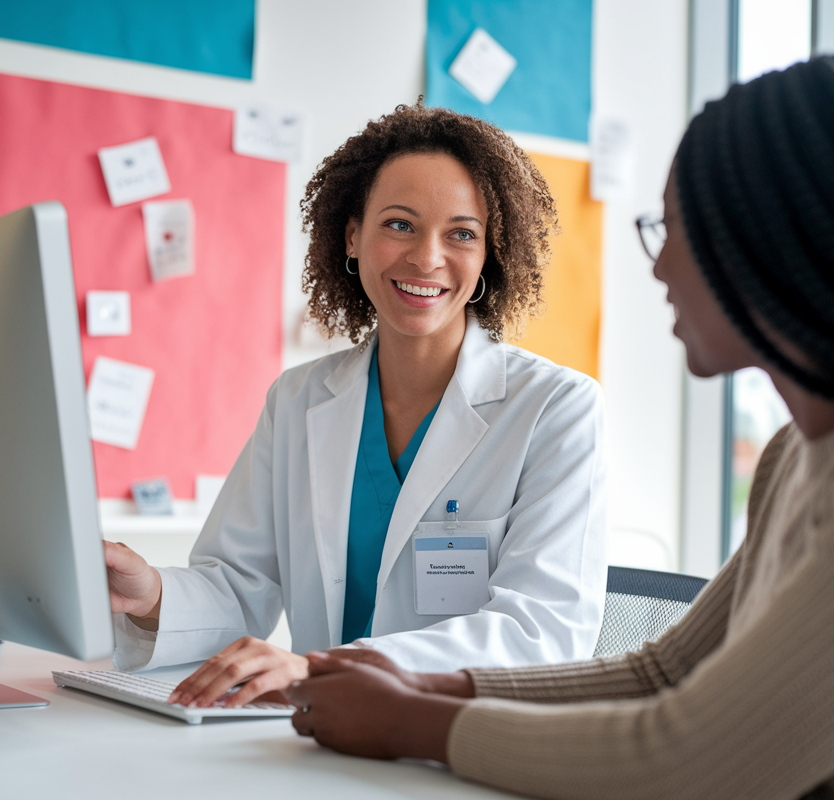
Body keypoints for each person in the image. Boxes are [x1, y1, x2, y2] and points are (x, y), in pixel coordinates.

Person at [284, 56, 834, 799]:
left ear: (775, 243)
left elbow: (698, 761)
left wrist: (414, 722)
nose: (659, 269)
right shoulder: (800, 453)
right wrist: (431, 686)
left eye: (672, 231)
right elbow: (665, 674)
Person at [104, 102, 608, 710]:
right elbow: (239, 589)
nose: (426, 257)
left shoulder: (556, 409)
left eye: (462, 233)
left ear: (486, 259)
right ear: (352, 234)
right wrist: (150, 594)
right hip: (318, 738)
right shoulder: (299, 400)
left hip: (459, 744)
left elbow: (542, 634)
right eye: (399, 224)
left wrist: (321, 669)